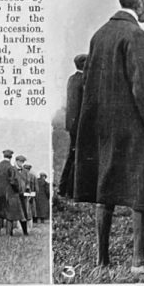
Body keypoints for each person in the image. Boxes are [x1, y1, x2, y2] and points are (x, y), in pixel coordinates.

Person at [72, 0, 144, 275]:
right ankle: (139, 261)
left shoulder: (99, 34)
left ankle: (102, 261)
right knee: (141, 189)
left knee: (104, 190)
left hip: (102, 128)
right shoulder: (136, 34)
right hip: (132, 128)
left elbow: (90, 83)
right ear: (140, 3)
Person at [58, 52, 88, 197]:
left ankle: (64, 188)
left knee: (72, 155)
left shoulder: (72, 79)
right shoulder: (83, 81)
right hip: (79, 125)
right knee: (76, 156)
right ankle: (69, 189)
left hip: (72, 124)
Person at [0, 149, 27, 238]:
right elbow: (13, 181)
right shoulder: (10, 167)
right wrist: (17, 189)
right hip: (10, 195)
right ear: (11, 157)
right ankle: (8, 234)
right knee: (10, 215)